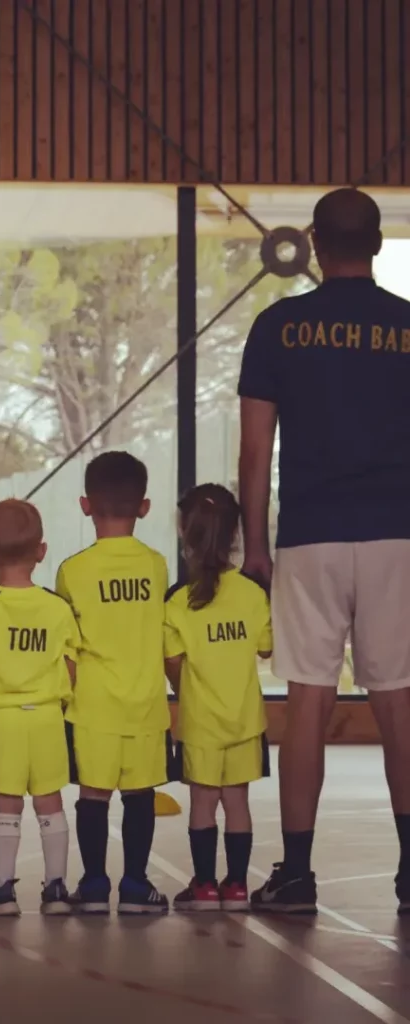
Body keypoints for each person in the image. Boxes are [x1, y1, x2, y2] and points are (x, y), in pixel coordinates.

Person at [238, 187, 410, 915]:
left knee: (307, 696)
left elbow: (254, 455)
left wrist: (255, 548)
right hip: (398, 530)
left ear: (312, 242)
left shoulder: (278, 326)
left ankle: (299, 874)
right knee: (397, 699)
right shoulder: (407, 325)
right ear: (375, 243)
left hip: (309, 533)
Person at [56, 451, 172, 914]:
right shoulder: (156, 565)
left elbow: (67, 641)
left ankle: (94, 883)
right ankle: (136, 885)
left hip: (93, 704)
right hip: (145, 701)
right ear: (144, 507)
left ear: (86, 505)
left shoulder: (73, 570)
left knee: (93, 795)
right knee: (140, 795)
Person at [0, 499, 77, 917]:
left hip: (4, 719)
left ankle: (3, 891)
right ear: (42, 551)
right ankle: (56, 889)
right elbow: (71, 663)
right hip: (48, 715)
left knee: (6, 806)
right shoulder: (57, 607)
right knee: (51, 804)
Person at [164, 485, 272, 913]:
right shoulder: (252, 594)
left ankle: (205, 887)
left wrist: (187, 687)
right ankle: (239, 886)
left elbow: (172, 664)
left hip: (200, 722)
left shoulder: (177, 601)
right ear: (235, 534)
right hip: (246, 721)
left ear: (183, 533)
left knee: (204, 803)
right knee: (237, 802)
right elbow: (265, 648)